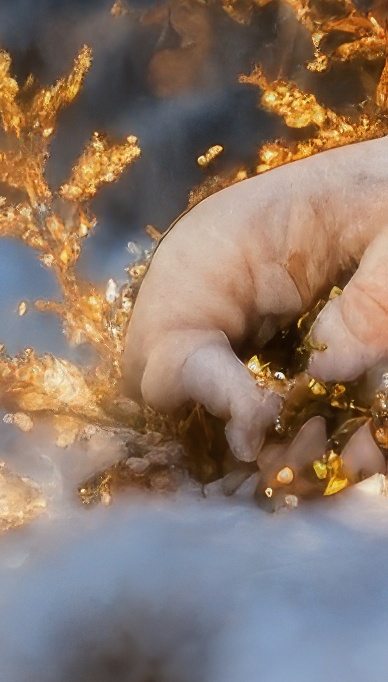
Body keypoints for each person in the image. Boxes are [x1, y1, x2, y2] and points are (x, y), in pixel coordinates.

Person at [123, 136, 388, 462]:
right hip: (197, 280)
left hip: (197, 258)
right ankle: (246, 408)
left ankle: (246, 411)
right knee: (187, 356)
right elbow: (364, 319)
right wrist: (328, 364)